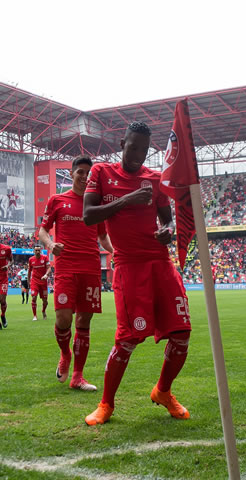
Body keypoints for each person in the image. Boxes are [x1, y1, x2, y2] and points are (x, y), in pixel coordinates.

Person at [82, 121, 192, 425]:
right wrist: (127, 200)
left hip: (161, 262)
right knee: (128, 339)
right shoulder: (102, 173)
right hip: (129, 267)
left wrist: (165, 232)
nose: (139, 154)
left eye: (144, 149)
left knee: (182, 334)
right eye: (133, 147)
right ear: (122, 143)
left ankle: (163, 391)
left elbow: (166, 221)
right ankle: (106, 404)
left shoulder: (155, 180)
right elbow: (88, 216)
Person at [39, 155, 113, 392]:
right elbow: (42, 231)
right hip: (66, 267)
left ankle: (78, 376)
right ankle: (65, 354)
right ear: (71, 174)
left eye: (87, 173)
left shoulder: (96, 204)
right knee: (63, 319)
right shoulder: (57, 200)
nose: (84, 176)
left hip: (91, 269)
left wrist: (117, 252)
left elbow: (103, 237)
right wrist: (51, 246)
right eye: (79, 172)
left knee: (84, 320)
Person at [28, 246, 51, 321]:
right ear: (34, 251)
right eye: (36, 250)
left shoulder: (45, 258)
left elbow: (49, 268)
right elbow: (29, 271)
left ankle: (43, 311)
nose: (37, 252)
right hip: (34, 281)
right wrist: (28, 281)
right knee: (34, 297)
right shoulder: (31, 259)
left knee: (45, 301)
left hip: (43, 281)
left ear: (40, 251)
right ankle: (34, 316)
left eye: (38, 250)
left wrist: (46, 275)